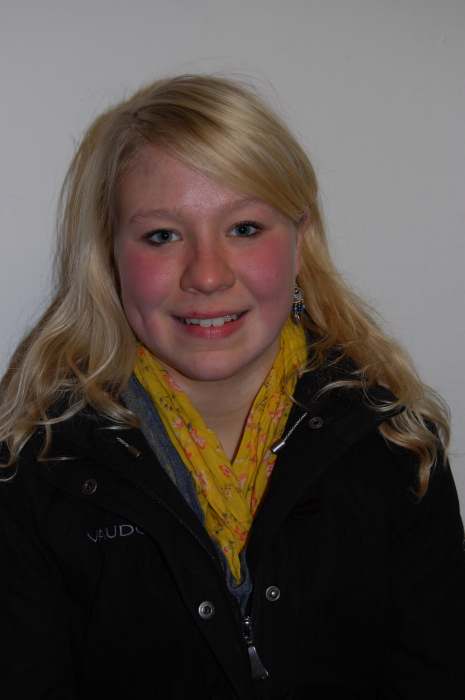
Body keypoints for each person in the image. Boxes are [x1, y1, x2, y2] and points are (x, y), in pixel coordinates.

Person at [0, 74, 464, 700]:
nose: (208, 275)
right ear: (109, 257)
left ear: (301, 240)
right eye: (162, 235)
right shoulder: (35, 469)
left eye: (244, 228)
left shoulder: (399, 447)